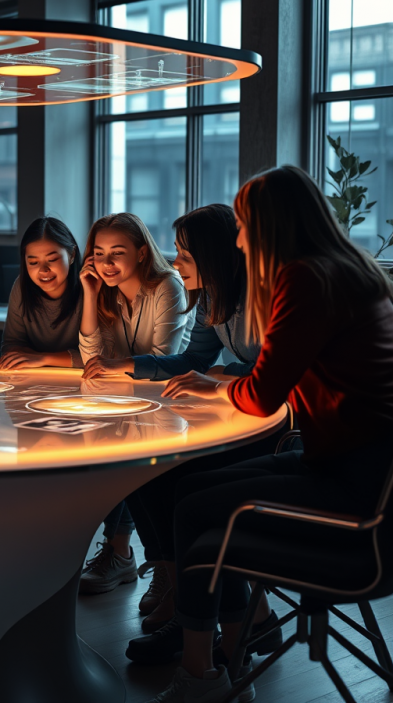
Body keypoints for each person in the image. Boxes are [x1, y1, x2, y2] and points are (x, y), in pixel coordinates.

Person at [143, 165, 393, 703]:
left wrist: (215, 387)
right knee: (190, 487)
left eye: (243, 225)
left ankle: (202, 675)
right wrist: (226, 383)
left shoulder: (307, 279)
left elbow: (261, 396)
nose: (238, 239)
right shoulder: (348, 270)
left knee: (194, 507)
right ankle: (238, 646)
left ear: (270, 225)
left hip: (352, 488)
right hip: (355, 467)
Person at [111, 205, 278, 663]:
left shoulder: (266, 298)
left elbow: (276, 375)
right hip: (246, 414)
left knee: (184, 482)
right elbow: (194, 362)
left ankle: (208, 621)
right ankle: (188, 604)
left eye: (185, 254)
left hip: (277, 428)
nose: (176, 262)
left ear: (215, 254)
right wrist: (127, 365)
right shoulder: (211, 298)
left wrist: (224, 376)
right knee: (149, 470)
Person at [77, 213, 194, 595]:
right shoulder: (105, 291)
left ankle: (151, 566)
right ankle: (137, 559)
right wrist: (90, 295)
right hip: (133, 402)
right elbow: (92, 359)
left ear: (142, 253)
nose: (106, 263)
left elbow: (164, 359)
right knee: (103, 446)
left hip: (176, 403)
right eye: (98, 253)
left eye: (117, 252)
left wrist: (115, 366)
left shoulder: (168, 286)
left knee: (129, 460)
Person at [0, 216, 84, 370]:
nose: (43, 270)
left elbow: (100, 356)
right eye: (33, 262)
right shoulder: (22, 286)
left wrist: (43, 358)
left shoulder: (88, 287)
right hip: (35, 377)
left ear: (72, 255)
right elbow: (11, 346)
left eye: (52, 259)